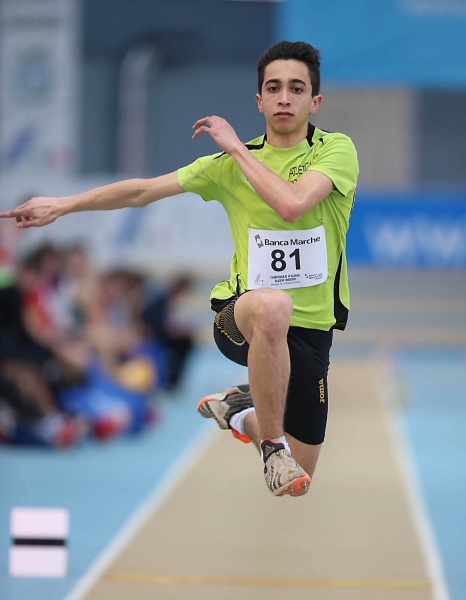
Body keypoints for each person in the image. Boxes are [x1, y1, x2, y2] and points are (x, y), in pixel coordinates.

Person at [0, 41, 359, 497]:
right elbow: (141, 192)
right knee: (273, 305)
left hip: (311, 332)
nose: (284, 98)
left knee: (299, 484)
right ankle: (272, 447)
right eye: (274, 88)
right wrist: (63, 205)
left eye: (296, 88)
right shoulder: (226, 166)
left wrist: (237, 150)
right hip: (242, 319)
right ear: (259, 100)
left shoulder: (335, 151)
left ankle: (240, 411)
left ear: (315, 101)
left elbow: (292, 205)